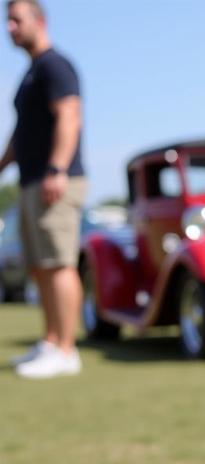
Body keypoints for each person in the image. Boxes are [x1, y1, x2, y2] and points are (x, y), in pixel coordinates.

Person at [1, 0, 86, 378]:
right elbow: (21, 137)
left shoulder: (55, 65)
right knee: (39, 267)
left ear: (40, 21)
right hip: (31, 181)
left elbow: (70, 114)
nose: (9, 28)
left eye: (16, 20)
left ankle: (67, 350)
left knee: (58, 264)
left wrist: (57, 168)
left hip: (55, 180)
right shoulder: (31, 73)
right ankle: (50, 342)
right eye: (7, 21)